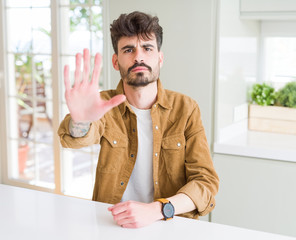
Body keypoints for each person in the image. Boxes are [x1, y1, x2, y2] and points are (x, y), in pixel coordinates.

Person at [58, 11, 219, 228]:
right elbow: (76, 138)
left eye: (147, 48)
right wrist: (80, 121)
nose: (138, 57)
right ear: (116, 61)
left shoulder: (186, 108)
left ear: (160, 58)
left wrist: (158, 209)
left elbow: (205, 183)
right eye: (128, 49)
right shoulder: (103, 104)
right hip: (111, 224)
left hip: (170, 224)